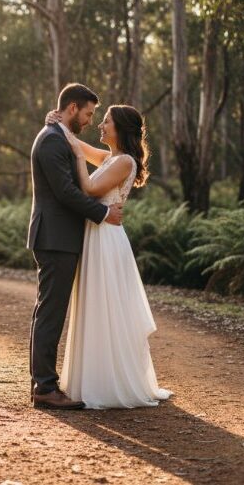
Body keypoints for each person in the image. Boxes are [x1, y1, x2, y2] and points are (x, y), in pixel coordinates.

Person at [51, 103, 173, 409]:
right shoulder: (111, 158)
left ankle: (109, 383)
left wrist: (78, 158)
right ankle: (94, 377)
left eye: (105, 122)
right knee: (96, 305)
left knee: (107, 306)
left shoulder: (124, 162)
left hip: (106, 239)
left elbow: (90, 187)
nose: (100, 126)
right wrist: (58, 124)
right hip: (98, 234)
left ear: (120, 128)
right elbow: (79, 144)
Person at [27, 83, 124, 410]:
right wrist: (103, 213)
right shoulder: (51, 141)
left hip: (61, 237)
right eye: (87, 113)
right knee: (51, 313)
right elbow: (67, 192)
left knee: (50, 310)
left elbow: (84, 159)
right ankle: (44, 387)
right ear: (72, 109)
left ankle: (45, 384)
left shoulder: (57, 136)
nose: (89, 119)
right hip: (54, 238)